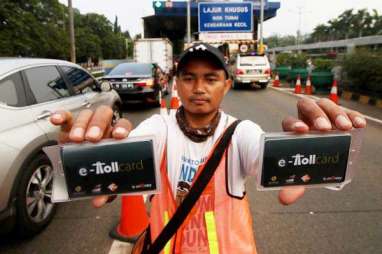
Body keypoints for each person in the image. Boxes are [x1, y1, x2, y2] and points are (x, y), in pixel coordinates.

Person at [50, 43, 366, 254]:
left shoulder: (241, 132)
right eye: (189, 78)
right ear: (176, 84)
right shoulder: (159, 128)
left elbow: (267, 162)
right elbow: (117, 166)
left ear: (227, 84)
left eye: (211, 78)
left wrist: (313, 152)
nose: (199, 88)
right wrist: (87, 154)